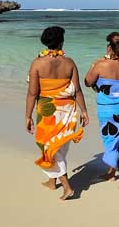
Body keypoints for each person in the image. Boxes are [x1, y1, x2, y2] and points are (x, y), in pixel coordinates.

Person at [26, 25, 88, 200]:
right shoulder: (69, 63)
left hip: (48, 111)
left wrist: (27, 115)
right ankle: (52, 182)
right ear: (61, 41)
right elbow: (77, 91)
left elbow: (32, 93)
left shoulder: (37, 63)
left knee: (51, 149)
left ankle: (67, 187)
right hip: (67, 110)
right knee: (58, 147)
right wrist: (83, 111)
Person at [85, 33, 119, 190]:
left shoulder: (101, 64)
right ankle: (111, 173)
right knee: (117, 143)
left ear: (110, 48)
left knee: (111, 146)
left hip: (108, 112)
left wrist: (93, 66)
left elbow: (87, 82)